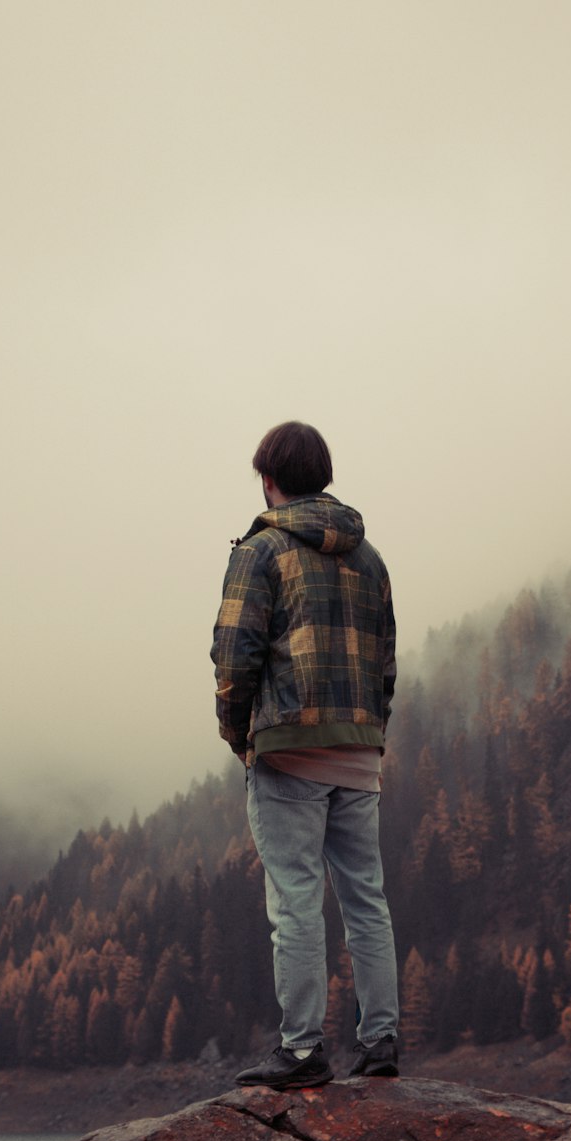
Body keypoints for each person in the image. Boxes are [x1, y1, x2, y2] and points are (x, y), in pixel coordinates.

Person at [211, 420, 400, 1089]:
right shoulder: (369, 557)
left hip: (288, 751)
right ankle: (381, 1042)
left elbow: (235, 656)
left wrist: (241, 735)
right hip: (357, 749)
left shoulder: (261, 552)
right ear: (321, 476)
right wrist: (369, 735)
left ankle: (300, 1051)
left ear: (269, 479)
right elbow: (386, 662)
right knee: (365, 898)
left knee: (296, 900)